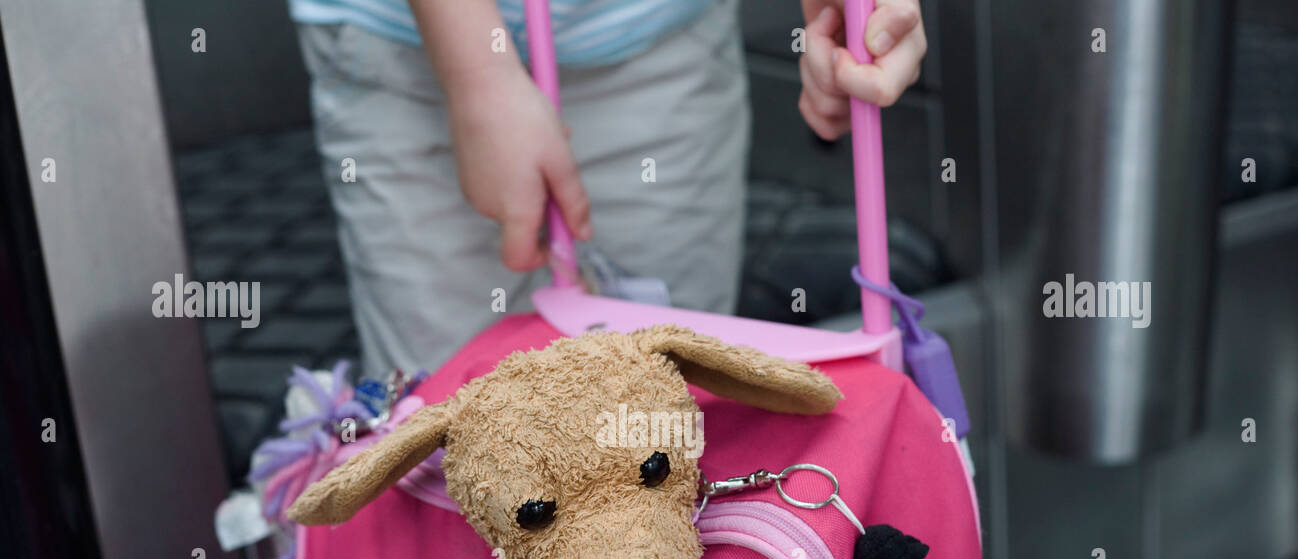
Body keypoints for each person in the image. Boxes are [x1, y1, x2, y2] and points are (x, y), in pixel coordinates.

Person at [288, 0, 927, 376]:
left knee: (672, 415)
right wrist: (477, 76)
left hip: (656, 38)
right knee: (453, 431)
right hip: (407, 56)